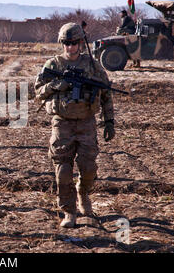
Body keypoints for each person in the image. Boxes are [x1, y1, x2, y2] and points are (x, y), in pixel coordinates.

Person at [34, 23, 116, 228]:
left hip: (87, 123)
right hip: (62, 123)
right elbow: (38, 92)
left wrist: (109, 121)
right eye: (66, 43)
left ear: (81, 43)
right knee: (62, 171)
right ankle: (68, 211)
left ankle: (83, 193)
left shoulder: (93, 66)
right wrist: (55, 85)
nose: (70, 48)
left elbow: (106, 94)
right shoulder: (52, 65)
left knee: (89, 168)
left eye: (74, 43)